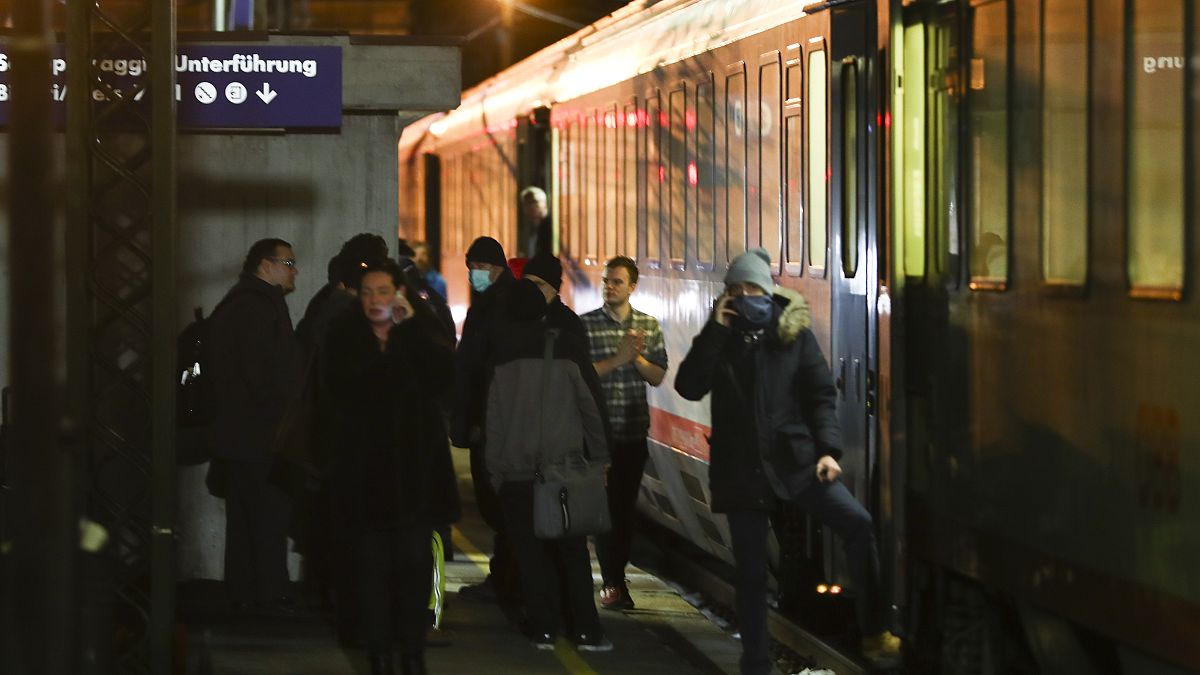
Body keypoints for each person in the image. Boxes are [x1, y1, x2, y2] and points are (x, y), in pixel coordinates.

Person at [673, 249, 902, 673]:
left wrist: (829, 451)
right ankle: (756, 665)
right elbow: (689, 386)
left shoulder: (794, 335)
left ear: (769, 291)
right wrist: (716, 332)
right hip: (741, 470)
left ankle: (876, 629)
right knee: (752, 576)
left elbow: (820, 396)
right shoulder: (721, 338)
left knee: (858, 523)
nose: (745, 295)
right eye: (737, 289)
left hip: (796, 463)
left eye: (753, 288)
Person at [321, 258, 459, 675]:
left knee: (414, 576)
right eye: (366, 293)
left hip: (416, 483)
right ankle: (379, 657)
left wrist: (412, 327)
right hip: (363, 484)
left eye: (382, 291)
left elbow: (446, 379)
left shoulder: (421, 331)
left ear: (398, 292)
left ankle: (413, 655)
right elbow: (337, 400)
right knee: (370, 580)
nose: (373, 300)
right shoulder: (343, 338)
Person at [483, 256, 613, 651]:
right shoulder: (565, 353)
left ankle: (543, 629)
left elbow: (494, 425)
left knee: (530, 555)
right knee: (573, 552)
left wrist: (495, 474)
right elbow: (591, 409)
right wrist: (601, 458)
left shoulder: (500, 363)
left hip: (517, 475)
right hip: (565, 472)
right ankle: (587, 632)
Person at [208, 238, 302, 611]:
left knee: (247, 517)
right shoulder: (258, 307)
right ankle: (266, 593)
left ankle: (248, 592)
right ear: (265, 265)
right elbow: (261, 374)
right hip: (258, 435)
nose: (295, 269)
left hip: (240, 434)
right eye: (288, 261)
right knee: (266, 516)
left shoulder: (243, 303)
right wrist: (280, 420)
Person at [580, 256, 667, 610]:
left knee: (624, 508)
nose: (609, 287)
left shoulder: (648, 325)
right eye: (605, 281)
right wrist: (617, 359)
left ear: (632, 286)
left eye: (616, 282)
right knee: (604, 510)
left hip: (632, 432)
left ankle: (616, 578)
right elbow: (580, 376)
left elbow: (658, 376)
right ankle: (613, 582)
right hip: (597, 434)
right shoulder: (585, 326)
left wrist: (636, 359)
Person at [451, 236, 520, 603]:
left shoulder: (497, 306)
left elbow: (482, 368)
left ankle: (506, 578)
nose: (474, 275)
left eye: (478, 268)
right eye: (471, 268)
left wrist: (475, 419)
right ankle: (505, 575)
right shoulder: (491, 301)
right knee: (495, 501)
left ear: (495, 268)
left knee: (497, 500)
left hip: (491, 421)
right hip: (485, 419)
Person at [520, 186, 553, 258]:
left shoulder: (551, 227)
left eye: (536, 202)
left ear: (545, 203)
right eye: (528, 203)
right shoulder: (528, 228)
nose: (532, 206)